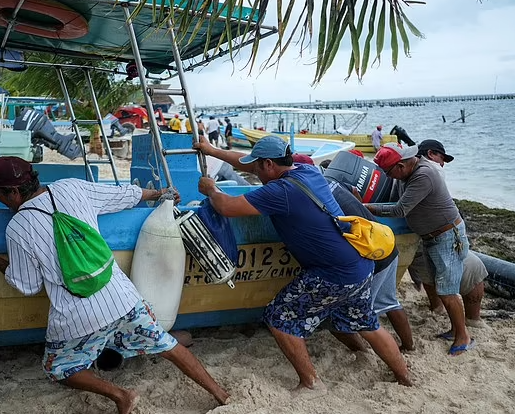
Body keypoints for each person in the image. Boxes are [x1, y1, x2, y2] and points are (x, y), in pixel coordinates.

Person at [0, 157, 229, 414]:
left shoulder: (18, 227)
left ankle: (121, 395)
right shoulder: (72, 188)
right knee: (167, 345)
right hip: (122, 298)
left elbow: (27, 285)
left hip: (78, 317)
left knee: (58, 368)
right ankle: (221, 394)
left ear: (13, 192)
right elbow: (122, 196)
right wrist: (158, 194)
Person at [195, 135, 411, 391]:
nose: (255, 171)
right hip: (359, 265)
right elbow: (246, 164)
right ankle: (404, 377)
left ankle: (310, 382)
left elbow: (227, 206)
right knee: (368, 324)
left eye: (259, 167)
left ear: (268, 165)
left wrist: (211, 188)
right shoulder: (306, 169)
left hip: (332, 274)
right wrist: (211, 150)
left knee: (278, 318)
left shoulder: (280, 191)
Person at [292, 154, 414, 351]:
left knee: (343, 318)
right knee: (388, 301)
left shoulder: (308, 194)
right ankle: (409, 347)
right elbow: (355, 196)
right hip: (384, 243)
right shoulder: (333, 183)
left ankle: (363, 352)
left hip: (371, 255)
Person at [366, 143, 474, 356]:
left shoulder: (424, 174)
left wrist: (363, 207)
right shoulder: (407, 173)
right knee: (438, 285)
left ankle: (463, 336)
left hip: (447, 236)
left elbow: (400, 209)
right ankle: (455, 329)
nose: (390, 177)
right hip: (431, 236)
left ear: (401, 165)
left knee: (448, 291)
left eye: (390, 172)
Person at [405, 140, 486, 326]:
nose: (443, 164)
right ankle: (472, 321)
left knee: (428, 269)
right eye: (442, 158)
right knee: (474, 269)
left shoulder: (403, 173)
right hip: (433, 235)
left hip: (411, 236)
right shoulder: (432, 170)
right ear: (431, 154)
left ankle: (437, 307)